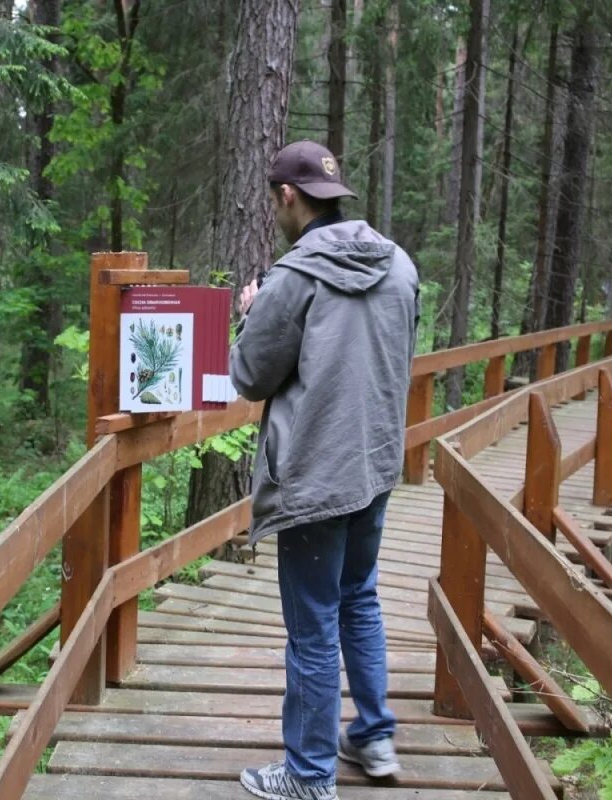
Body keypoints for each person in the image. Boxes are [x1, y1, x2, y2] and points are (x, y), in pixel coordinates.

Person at [231, 140, 419, 800]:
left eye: (274, 199)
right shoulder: (398, 265)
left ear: (288, 196)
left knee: (311, 627)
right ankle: (373, 736)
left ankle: (309, 776)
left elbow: (252, 378)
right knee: (358, 596)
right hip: (374, 465)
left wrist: (253, 313)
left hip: (314, 475)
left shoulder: (294, 277)